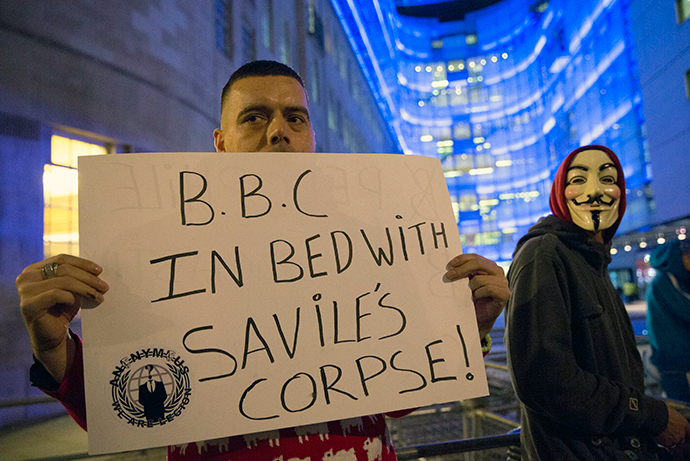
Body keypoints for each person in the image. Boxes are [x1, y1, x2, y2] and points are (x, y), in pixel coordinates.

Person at [17, 60, 511, 461]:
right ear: (220, 142)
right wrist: (54, 349)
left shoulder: (362, 247)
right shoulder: (159, 256)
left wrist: (464, 330)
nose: (279, 132)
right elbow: (127, 408)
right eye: (255, 117)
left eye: (295, 117)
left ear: (312, 139)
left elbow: (398, 395)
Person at [505, 145, 690, 460]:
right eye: (578, 179)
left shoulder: (591, 260)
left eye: (608, 179)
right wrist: (648, 414)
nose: (594, 192)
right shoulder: (545, 254)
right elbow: (546, 381)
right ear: (559, 192)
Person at [646, 239, 690, 403]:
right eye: (687, 257)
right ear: (675, 258)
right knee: (684, 408)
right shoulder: (663, 283)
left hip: (680, 361)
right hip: (676, 363)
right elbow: (685, 310)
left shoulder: (680, 281)